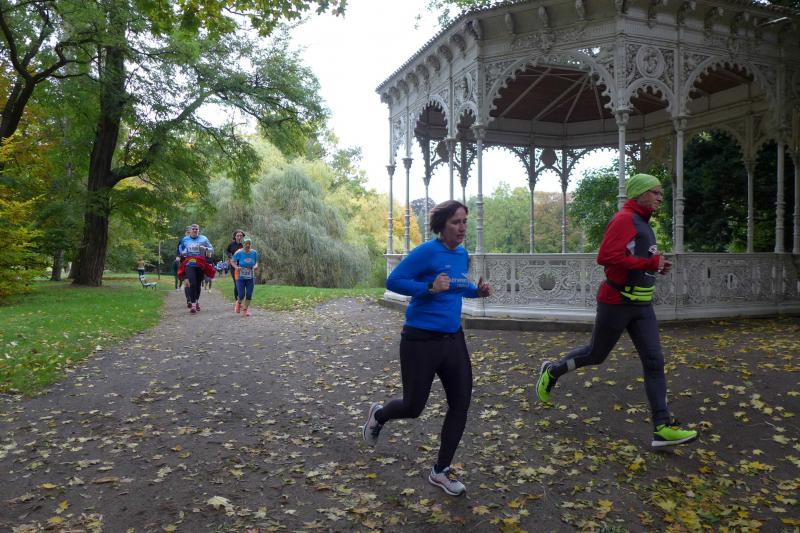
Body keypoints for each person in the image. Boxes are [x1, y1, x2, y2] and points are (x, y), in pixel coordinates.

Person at [535, 173, 698, 448]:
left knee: (654, 361)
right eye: (655, 192)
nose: (660, 198)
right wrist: (649, 264)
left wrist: (656, 265)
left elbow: (637, 258)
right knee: (595, 354)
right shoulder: (624, 219)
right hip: (616, 302)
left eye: (661, 193)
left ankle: (662, 427)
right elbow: (606, 257)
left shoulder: (643, 222)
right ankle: (552, 371)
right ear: (640, 193)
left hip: (642, 305)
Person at [362, 200, 492, 497]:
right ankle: (379, 415)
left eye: (465, 221)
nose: (462, 228)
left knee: (460, 404)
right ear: (441, 225)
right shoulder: (426, 252)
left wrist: (477, 291)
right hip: (420, 340)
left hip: (453, 339)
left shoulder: (461, 255)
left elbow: (457, 285)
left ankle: (440, 471)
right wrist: (429, 288)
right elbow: (394, 280)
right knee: (413, 407)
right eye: (456, 222)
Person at [178, 224, 215, 314]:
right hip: (189, 264)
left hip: (200, 264)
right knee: (193, 283)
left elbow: (212, 249)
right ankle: (193, 305)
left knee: (198, 284)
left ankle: (197, 301)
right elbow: (181, 248)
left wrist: (205, 248)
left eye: (196, 229)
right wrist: (182, 252)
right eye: (193, 229)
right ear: (190, 231)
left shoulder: (204, 239)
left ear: (199, 230)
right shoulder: (185, 239)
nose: (195, 230)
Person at [232, 236, 258, 316]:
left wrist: (255, 266)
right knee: (241, 294)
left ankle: (245, 309)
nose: (248, 245)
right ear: (243, 244)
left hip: (250, 276)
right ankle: (239, 302)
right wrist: (236, 267)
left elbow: (256, 262)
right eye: (246, 244)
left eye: (249, 244)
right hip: (240, 276)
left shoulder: (254, 252)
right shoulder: (239, 252)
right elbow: (232, 261)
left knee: (249, 294)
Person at [226, 230, 245, 310]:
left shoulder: (243, 244)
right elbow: (227, 251)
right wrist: (230, 256)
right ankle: (237, 301)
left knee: (242, 283)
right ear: (235, 236)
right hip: (233, 266)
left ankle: (240, 300)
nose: (239, 237)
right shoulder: (231, 244)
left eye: (241, 236)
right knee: (237, 282)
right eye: (238, 235)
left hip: (242, 266)